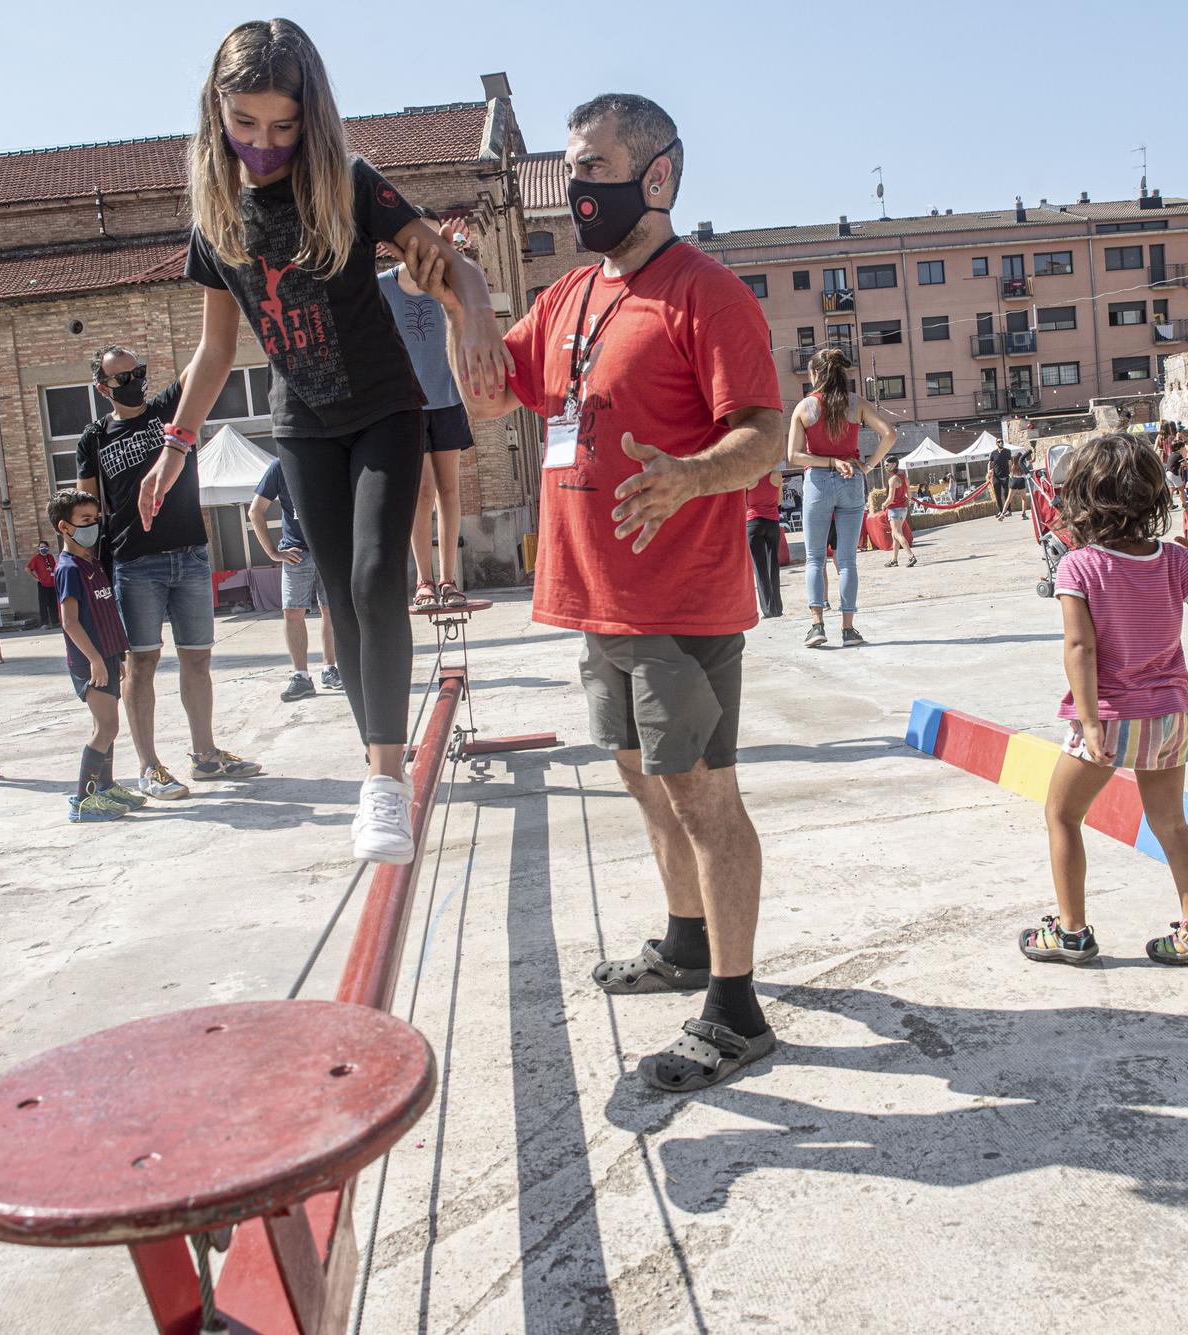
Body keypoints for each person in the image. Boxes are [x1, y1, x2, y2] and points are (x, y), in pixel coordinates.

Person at [428, 91, 784, 1093]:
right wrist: (460, 293)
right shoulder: (575, 297)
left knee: (704, 797)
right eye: (572, 167)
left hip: (678, 599)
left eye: (592, 166)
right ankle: (681, 943)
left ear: (656, 176)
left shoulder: (703, 294)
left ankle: (735, 1007)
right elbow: (494, 393)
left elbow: (763, 429)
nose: (577, 186)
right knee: (643, 779)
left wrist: (691, 475)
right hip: (596, 598)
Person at [144, 18, 505, 862]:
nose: (264, 144)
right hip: (301, 424)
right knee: (339, 596)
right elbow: (215, 348)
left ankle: (386, 781)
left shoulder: (348, 182)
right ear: (216, 113)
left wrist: (475, 307)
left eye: (284, 125)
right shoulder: (216, 216)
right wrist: (175, 445)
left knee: (381, 578)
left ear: (313, 117)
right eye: (245, 125)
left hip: (384, 407)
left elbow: (444, 259)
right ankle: (377, 771)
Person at [1020, 434, 1188, 968]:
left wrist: (1089, 720)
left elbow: (1080, 646)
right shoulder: (1173, 562)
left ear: (1084, 499)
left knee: (1062, 815)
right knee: (1172, 823)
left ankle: (1071, 932)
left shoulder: (1080, 567)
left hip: (1110, 717)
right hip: (1168, 716)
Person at [77, 345, 260, 800]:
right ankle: (149, 767)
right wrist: (87, 566)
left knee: (197, 657)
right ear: (103, 388)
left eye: (138, 372)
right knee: (141, 664)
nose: (133, 381)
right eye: (121, 378)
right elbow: (87, 508)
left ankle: (205, 756)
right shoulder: (94, 439)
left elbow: (205, 359)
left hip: (192, 555)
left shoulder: (167, 408)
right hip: (135, 563)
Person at [378, 238, 476, 609]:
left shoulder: (449, 281)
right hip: (407, 405)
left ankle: (450, 580)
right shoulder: (382, 286)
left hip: (448, 399)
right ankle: (424, 581)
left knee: (449, 491)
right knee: (419, 494)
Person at [48, 490, 150, 823]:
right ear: (65, 527)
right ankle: (83, 800)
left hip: (107, 655)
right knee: (106, 727)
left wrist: (114, 656)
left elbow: (103, 612)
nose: (93, 525)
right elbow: (70, 622)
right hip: (88, 660)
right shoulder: (68, 569)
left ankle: (105, 788)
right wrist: (93, 659)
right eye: (84, 520)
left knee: (108, 727)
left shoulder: (91, 562)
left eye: (95, 519)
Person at [787, 346, 898, 648]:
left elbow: (794, 456)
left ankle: (816, 625)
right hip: (852, 481)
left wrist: (827, 462)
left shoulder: (805, 408)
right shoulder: (856, 404)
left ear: (815, 375)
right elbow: (889, 433)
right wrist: (868, 465)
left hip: (819, 483)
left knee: (814, 558)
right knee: (847, 561)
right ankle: (849, 630)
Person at [247, 456, 342, 702]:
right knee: (292, 612)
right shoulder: (280, 466)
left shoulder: (329, 459)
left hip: (330, 551)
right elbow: (255, 510)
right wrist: (272, 553)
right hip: (296, 553)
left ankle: (330, 669)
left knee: (331, 611)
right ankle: (301, 676)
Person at [746, 467, 784, 618]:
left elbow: (745, 503)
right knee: (773, 565)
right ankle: (778, 608)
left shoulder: (749, 477)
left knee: (759, 567)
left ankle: (768, 610)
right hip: (772, 522)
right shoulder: (776, 475)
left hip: (753, 522)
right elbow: (779, 501)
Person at [884, 465, 915, 567]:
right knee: (895, 535)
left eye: (887, 465)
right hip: (903, 509)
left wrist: (884, 504)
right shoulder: (904, 477)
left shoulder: (892, 479)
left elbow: (891, 498)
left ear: (893, 465)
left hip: (894, 509)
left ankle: (911, 556)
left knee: (897, 534)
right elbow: (909, 495)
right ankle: (894, 559)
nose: (885, 466)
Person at [26, 541, 59, 629]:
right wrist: (35, 578)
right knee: (43, 604)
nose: (43, 548)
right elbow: (27, 569)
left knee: (53, 604)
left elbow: (53, 568)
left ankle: (55, 621)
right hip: (43, 584)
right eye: (41, 547)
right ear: (38, 548)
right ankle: (45, 623)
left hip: (52, 584)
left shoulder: (50, 557)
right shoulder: (36, 558)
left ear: (48, 548)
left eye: (45, 547)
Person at [989, 438, 1016, 519]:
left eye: (1002, 441)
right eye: (999, 442)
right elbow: (990, 462)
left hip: (1005, 475)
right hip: (996, 476)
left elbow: (1011, 462)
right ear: (996, 443)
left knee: (1006, 493)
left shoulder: (1008, 451)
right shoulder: (993, 453)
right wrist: (989, 470)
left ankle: (1008, 510)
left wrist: (1012, 472)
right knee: (997, 495)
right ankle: (1000, 511)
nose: (1001, 443)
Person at [1007, 447, 1031, 514]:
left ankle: (1003, 513)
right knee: (1023, 499)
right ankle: (1023, 513)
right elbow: (1033, 460)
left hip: (1014, 481)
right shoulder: (1024, 464)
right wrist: (1034, 452)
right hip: (1021, 481)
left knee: (1009, 499)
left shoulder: (1013, 466)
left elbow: (1011, 475)